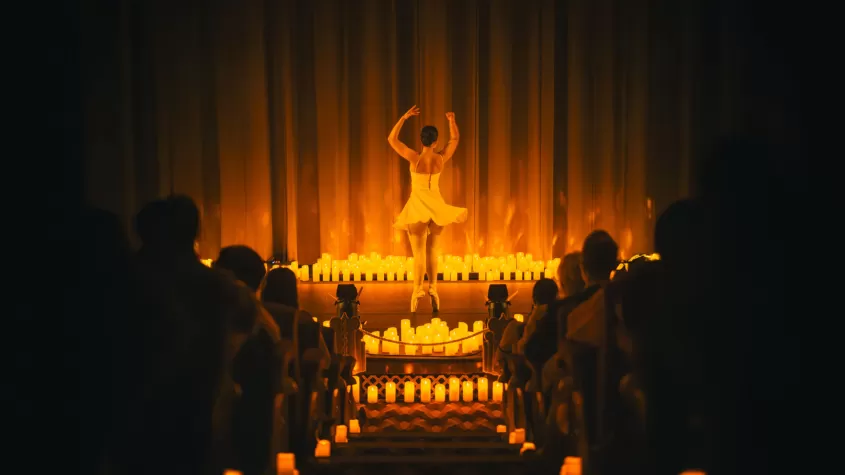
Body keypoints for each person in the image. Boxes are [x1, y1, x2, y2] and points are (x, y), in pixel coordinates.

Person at [389, 105, 468, 312]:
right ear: (435, 141)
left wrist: (404, 117)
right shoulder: (440, 158)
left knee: (419, 253)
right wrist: (451, 121)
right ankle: (433, 288)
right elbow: (455, 139)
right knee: (433, 250)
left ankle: (417, 291)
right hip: (437, 207)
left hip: (418, 207)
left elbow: (392, 139)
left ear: (421, 140)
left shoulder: (415, 158)